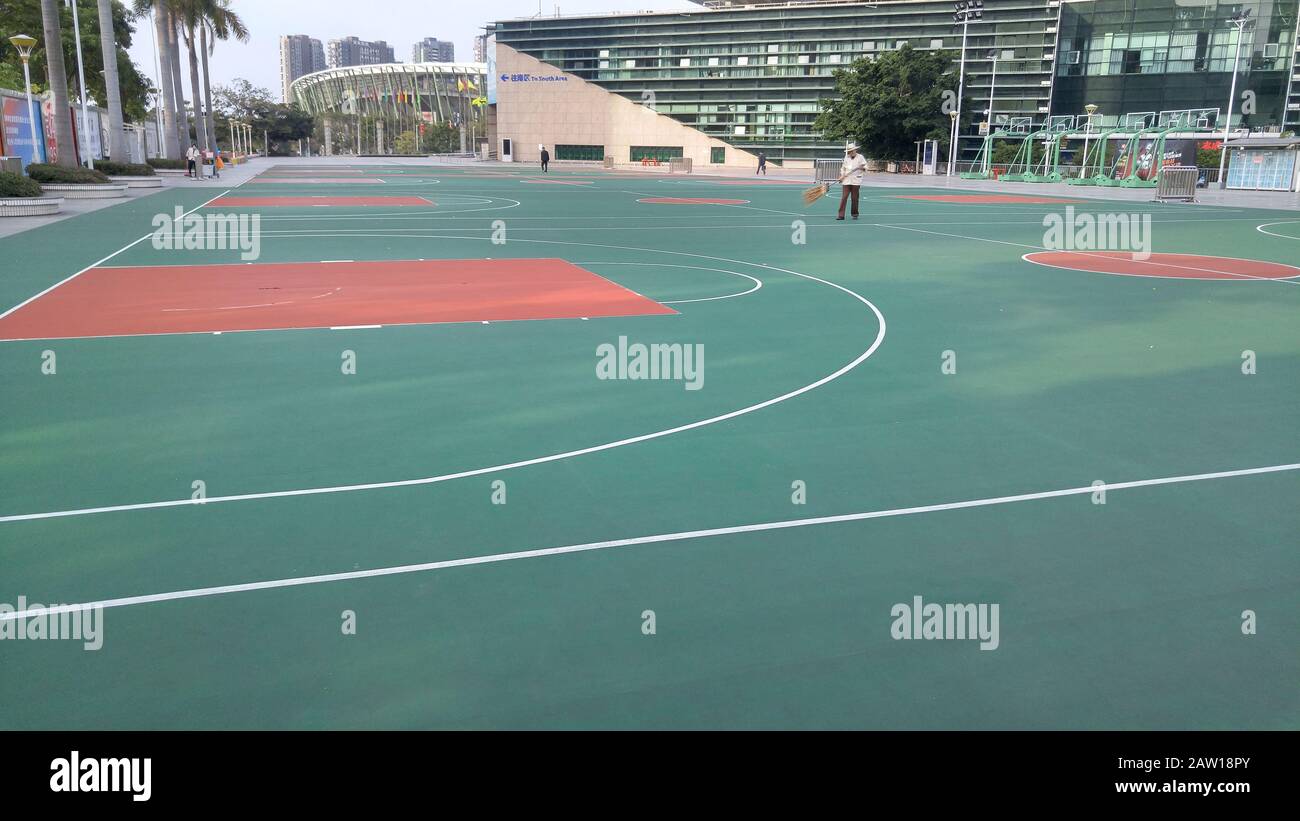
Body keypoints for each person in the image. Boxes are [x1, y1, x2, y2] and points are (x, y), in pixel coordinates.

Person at [837, 141, 867, 220]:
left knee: (854, 198)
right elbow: (843, 168)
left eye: (852, 151)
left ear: (855, 150)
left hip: (856, 180)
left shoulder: (860, 157)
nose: (851, 152)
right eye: (849, 151)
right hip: (846, 180)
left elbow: (866, 166)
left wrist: (862, 168)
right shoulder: (846, 157)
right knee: (844, 197)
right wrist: (842, 176)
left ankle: (855, 214)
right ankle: (841, 215)